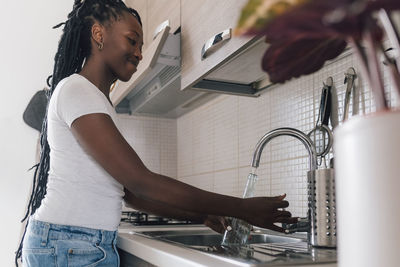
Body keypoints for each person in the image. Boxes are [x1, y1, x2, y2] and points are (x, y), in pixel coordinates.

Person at [16, 0, 297, 266]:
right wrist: (242, 208)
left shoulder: (92, 97)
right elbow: (141, 182)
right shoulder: (77, 90)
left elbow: (130, 194)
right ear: (98, 34)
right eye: (132, 40)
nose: (139, 53)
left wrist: (203, 214)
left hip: (74, 242)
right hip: (69, 244)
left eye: (140, 44)